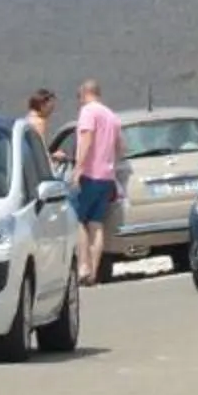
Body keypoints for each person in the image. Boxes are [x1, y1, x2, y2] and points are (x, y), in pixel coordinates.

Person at [68, 81, 122, 285]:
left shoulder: (88, 112)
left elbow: (87, 138)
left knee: (79, 220)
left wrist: (78, 168)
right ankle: (94, 272)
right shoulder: (112, 116)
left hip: (89, 175)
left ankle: (83, 266)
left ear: (84, 94)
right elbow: (120, 147)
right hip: (107, 177)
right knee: (96, 224)